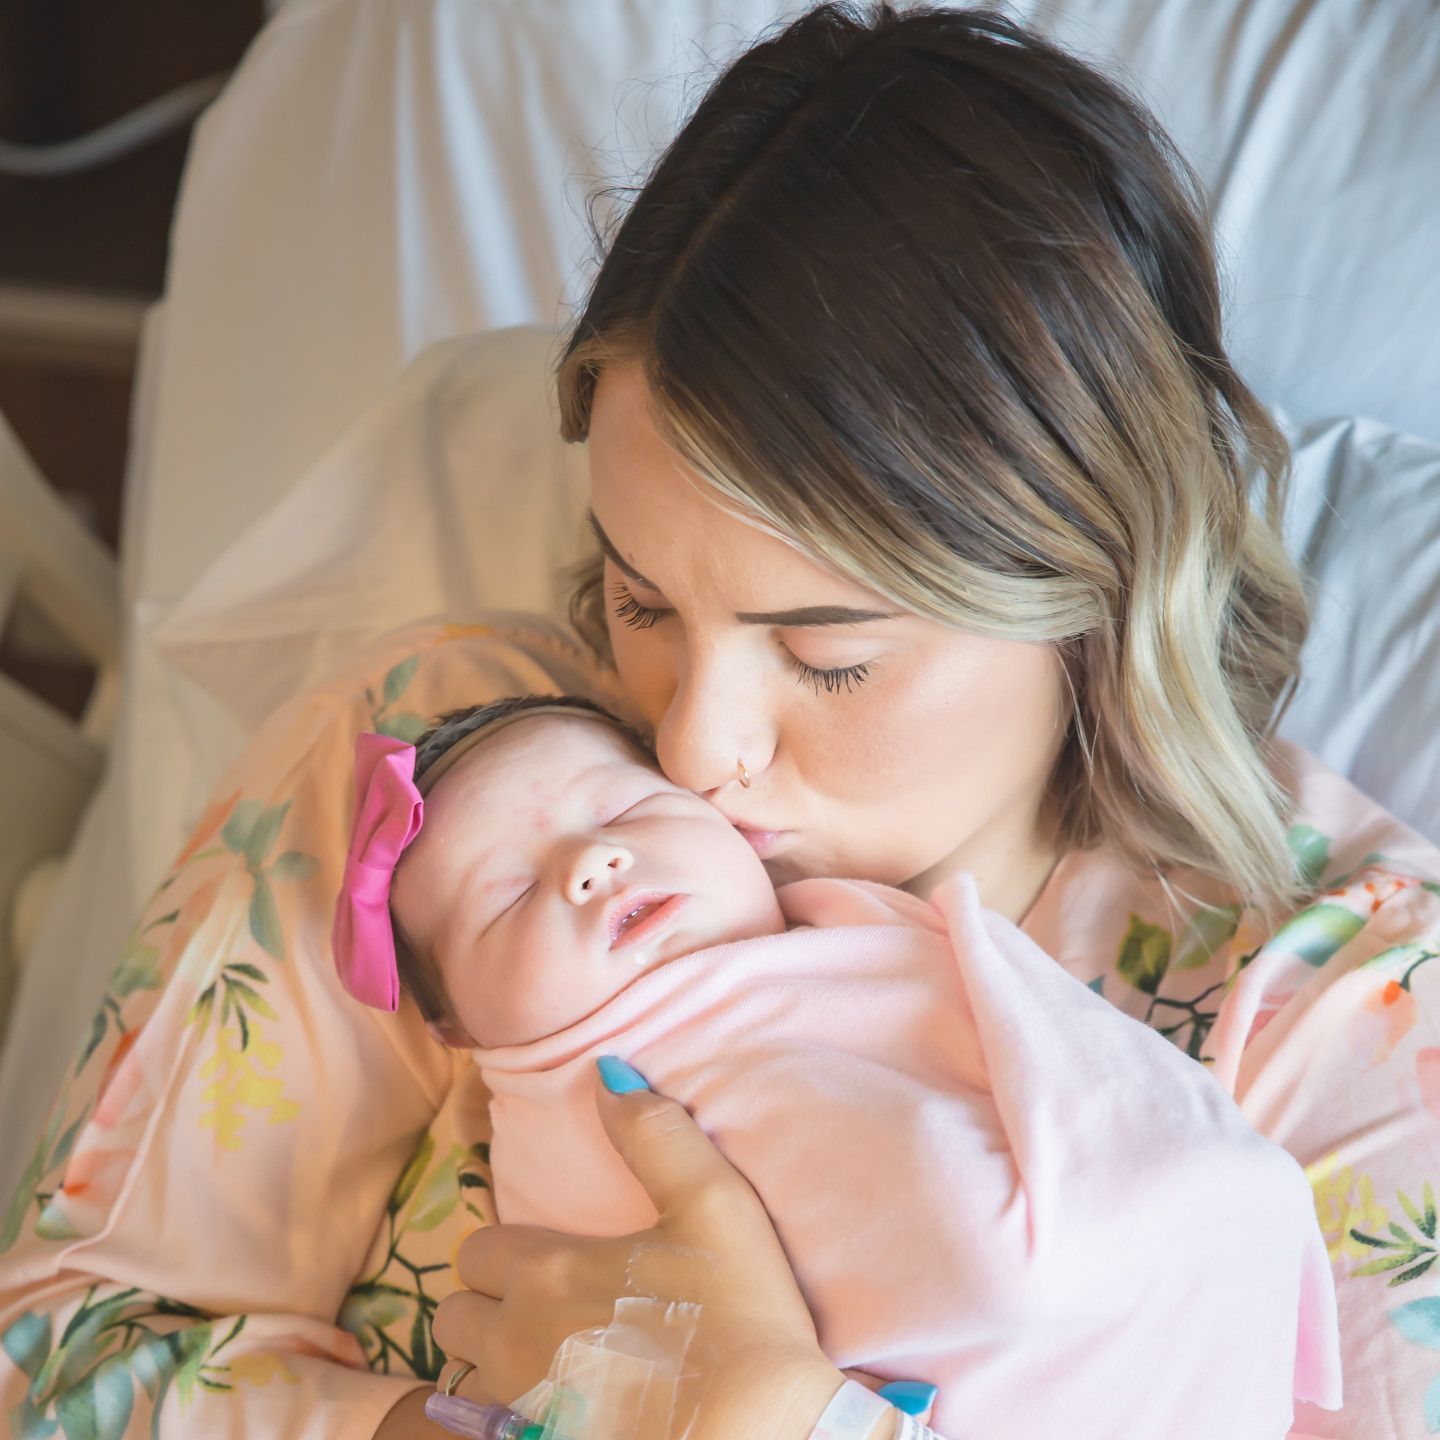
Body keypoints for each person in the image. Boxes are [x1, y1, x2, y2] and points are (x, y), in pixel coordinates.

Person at [2, 3, 1438, 1437]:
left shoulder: (1337, 1010)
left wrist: (772, 1421)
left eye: (824, 656)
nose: (688, 750)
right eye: (641, 603)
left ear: (1096, 585)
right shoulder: (458, 784)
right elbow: (64, 1362)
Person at [332, 693, 1338, 1436]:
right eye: (505, 895)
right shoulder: (558, 1107)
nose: (591, 862)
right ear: (460, 1029)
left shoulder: (865, 935)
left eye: (628, 811)